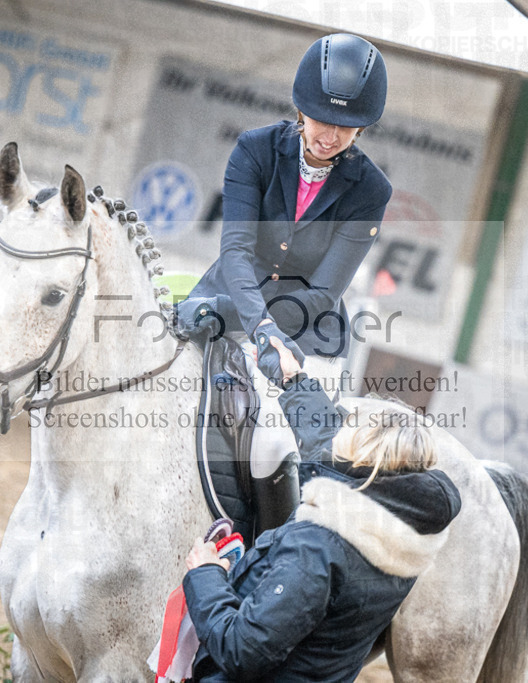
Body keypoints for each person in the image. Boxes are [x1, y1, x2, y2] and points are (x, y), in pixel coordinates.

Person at [179, 32, 394, 521]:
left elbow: (323, 292)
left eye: (347, 125)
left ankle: (267, 546)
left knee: (277, 442)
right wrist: (259, 327)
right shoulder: (254, 150)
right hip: (229, 302)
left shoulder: (371, 190)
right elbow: (234, 251)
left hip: (307, 336)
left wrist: (270, 334)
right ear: (301, 108)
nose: (330, 134)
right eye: (322, 118)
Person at [180, 338, 462, 681]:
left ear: (361, 457)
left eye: (351, 427)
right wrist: (293, 380)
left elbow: (242, 651)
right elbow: (327, 440)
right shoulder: (402, 527)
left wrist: (206, 575)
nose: (341, 428)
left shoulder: (317, 547)